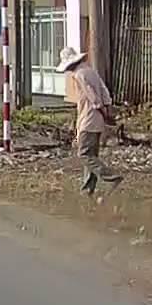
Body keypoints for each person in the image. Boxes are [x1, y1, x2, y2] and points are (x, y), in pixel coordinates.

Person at [56, 47, 122, 200]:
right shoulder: (90, 71)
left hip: (88, 119)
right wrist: (107, 111)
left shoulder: (79, 75)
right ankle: (87, 190)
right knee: (91, 156)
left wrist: (102, 111)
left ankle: (111, 176)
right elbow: (104, 92)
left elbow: (93, 98)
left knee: (84, 154)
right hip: (96, 120)